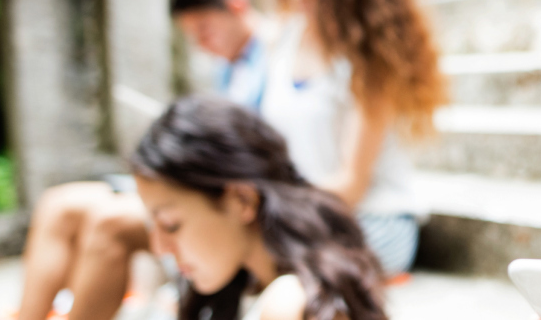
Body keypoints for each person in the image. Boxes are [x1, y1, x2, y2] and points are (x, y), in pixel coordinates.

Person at [15, 0, 275, 320]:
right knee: (57, 204)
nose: (201, 43)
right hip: (198, 179)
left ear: (237, 5)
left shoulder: (277, 56)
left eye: (204, 28)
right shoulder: (229, 67)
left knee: (110, 222)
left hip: (232, 189)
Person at [267, 0, 447, 277]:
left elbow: (351, 185)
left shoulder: (370, 61)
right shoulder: (286, 38)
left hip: (370, 220)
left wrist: (270, 201)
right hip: (300, 212)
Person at [130, 95, 388, 320]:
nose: (159, 247)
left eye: (170, 224)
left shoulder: (289, 304)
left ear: (243, 200)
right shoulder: (246, 288)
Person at [170, 0, 273, 110]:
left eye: (203, 30)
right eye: (192, 37)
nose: (201, 44)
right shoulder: (223, 69)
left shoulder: (281, 54)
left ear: (237, 5)